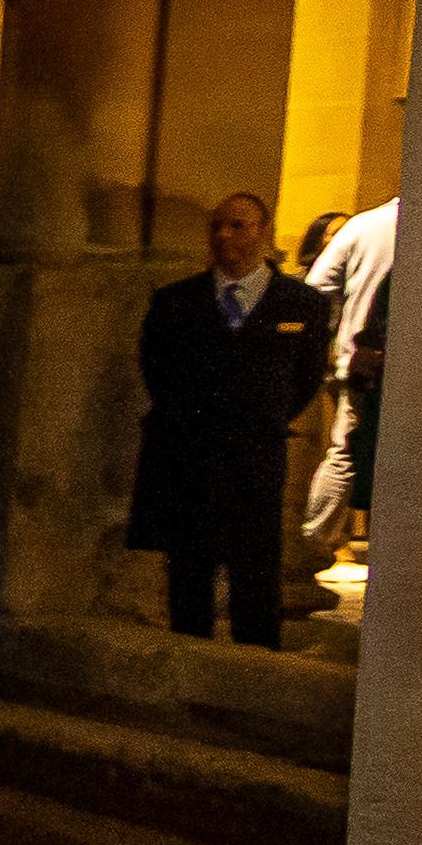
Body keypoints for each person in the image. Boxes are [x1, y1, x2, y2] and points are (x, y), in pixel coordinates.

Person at [128, 189, 334, 646]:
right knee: (190, 565)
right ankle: (189, 653)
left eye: (237, 225)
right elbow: (157, 370)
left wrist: (263, 416)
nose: (224, 235)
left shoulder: (301, 305)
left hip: (257, 453)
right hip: (190, 454)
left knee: (256, 563)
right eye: (217, 226)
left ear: (263, 233)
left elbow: (306, 377)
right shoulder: (176, 301)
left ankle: (256, 658)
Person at [305, 187, 398, 548]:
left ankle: (317, 541)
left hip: (359, 362)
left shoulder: (362, 225)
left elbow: (316, 290)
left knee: (345, 453)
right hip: (413, 368)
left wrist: (332, 341)